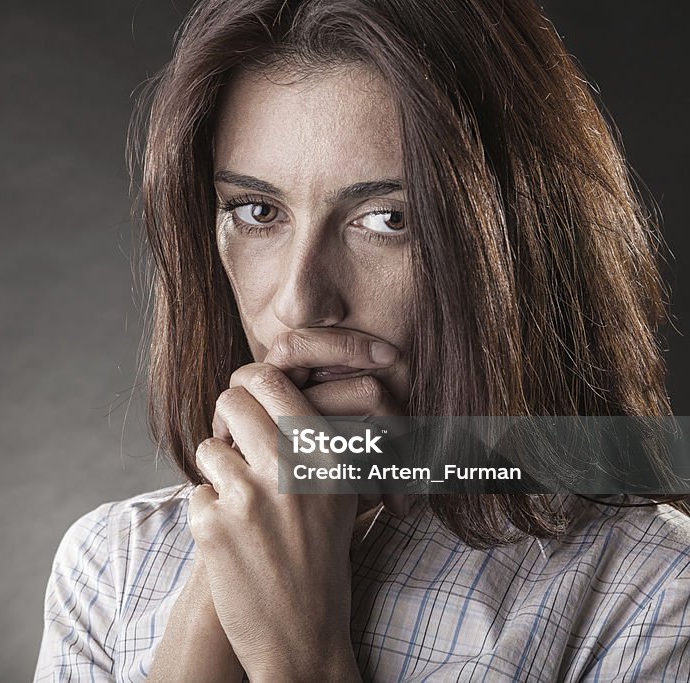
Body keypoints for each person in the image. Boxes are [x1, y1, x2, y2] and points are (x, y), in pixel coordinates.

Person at [35, 0, 690, 680]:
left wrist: (302, 657)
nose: (299, 299)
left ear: (521, 241)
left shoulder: (653, 594)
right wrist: (213, 592)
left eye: (387, 218)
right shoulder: (113, 566)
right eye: (257, 211)